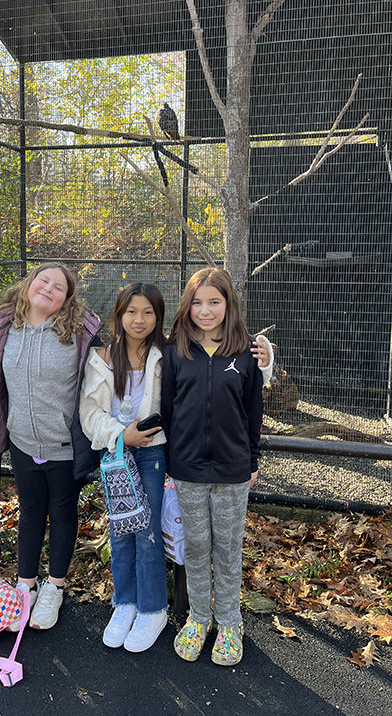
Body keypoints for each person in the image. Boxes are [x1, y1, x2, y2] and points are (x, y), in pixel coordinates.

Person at [161, 267, 264, 666]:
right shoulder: (176, 351)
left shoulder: (247, 352)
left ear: (228, 305)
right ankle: (199, 617)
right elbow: (168, 409)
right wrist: (173, 461)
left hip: (232, 469)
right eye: (198, 303)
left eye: (215, 302)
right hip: (186, 469)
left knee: (227, 547)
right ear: (188, 306)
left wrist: (252, 460)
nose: (206, 311)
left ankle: (229, 622)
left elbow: (253, 411)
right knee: (197, 545)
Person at [0, 263, 102, 630]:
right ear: (29, 283)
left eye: (60, 288)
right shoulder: (5, 325)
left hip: (64, 446)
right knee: (29, 512)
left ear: (66, 300)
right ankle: (25, 586)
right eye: (44, 280)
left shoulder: (81, 333)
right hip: (22, 442)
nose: (49, 289)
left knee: (63, 514)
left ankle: (55, 586)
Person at [80, 283, 170, 653]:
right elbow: (90, 413)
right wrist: (121, 436)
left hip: (151, 453)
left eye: (148, 312)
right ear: (118, 314)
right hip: (116, 454)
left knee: (147, 531)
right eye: (131, 311)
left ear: (158, 317)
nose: (139, 319)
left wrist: (264, 362)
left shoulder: (166, 356)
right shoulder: (101, 357)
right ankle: (125, 603)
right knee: (120, 530)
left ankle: (153, 609)